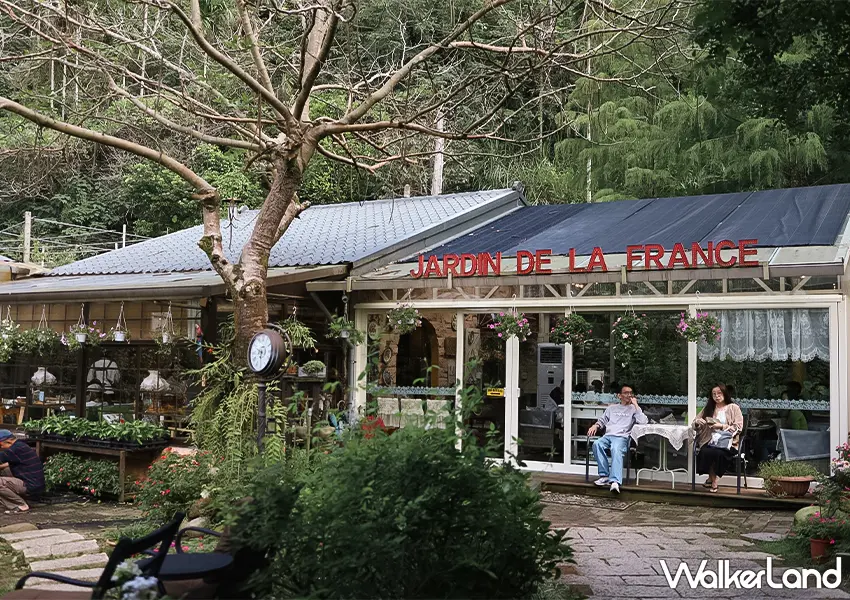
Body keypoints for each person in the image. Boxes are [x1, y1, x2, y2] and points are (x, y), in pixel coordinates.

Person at [587, 384, 647, 494]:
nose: (629, 395)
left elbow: (643, 421)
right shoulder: (611, 408)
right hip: (608, 436)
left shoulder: (634, 409)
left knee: (615, 448)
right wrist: (595, 426)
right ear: (619, 395)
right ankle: (604, 476)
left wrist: (636, 405)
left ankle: (615, 481)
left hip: (622, 437)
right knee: (596, 444)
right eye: (626, 393)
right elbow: (602, 420)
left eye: (630, 393)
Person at [692, 384, 744, 493]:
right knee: (706, 451)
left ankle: (712, 480)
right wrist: (697, 423)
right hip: (710, 441)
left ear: (725, 393)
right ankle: (714, 481)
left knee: (718, 453)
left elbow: (739, 427)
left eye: (719, 393)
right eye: (714, 394)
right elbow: (695, 424)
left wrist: (722, 426)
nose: (717, 396)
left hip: (728, 442)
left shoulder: (734, 408)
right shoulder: (709, 409)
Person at [0, 429, 44, 513]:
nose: (1, 448)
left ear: (9, 441)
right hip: (34, 483)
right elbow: (8, 464)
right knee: (4, 469)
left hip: (30, 485)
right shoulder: (20, 445)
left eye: (1, 445)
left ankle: (20, 504)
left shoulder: (14, 450)